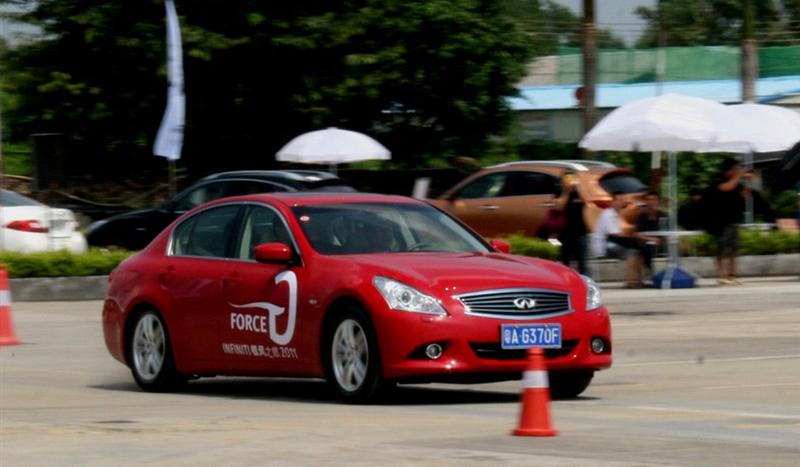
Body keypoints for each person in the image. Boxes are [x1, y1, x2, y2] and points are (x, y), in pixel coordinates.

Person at [704, 158, 747, 285]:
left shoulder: (737, 183)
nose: (737, 171)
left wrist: (747, 184)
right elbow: (727, 188)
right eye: (734, 169)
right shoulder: (718, 181)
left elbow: (743, 195)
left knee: (734, 249)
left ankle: (732, 274)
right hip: (720, 222)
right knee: (722, 249)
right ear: (728, 171)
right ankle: (722, 275)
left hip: (733, 221)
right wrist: (739, 176)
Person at [592, 191, 644, 288]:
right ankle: (630, 282)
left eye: (622, 200)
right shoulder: (608, 214)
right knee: (632, 253)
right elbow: (614, 234)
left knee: (637, 251)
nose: (622, 202)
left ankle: (637, 281)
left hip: (613, 242)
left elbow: (621, 233)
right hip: (605, 246)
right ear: (613, 201)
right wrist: (630, 234)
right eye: (619, 200)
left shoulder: (617, 214)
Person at [555, 172, 588, 275]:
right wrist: (566, 191)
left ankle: (584, 278)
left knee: (582, 260)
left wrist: (577, 187)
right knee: (565, 259)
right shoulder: (560, 192)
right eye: (567, 179)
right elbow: (559, 207)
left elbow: (586, 201)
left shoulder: (580, 192)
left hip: (580, 230)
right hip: (565, 231)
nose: (569, 181)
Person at [633, 192, 667, 276]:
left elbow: (667, 231)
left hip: (662, 243)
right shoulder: (642, 216)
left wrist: (661, 239)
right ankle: (650, 272)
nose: (652, 202)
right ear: (646, 202)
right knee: (645, 248)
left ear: (658, 201)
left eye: (654, 200)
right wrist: (652, 239)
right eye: (649, 200)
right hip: (647, 243)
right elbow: (636, 234)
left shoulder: (663, 215)